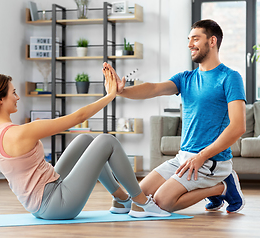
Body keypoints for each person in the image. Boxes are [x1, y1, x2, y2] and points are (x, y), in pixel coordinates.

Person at [0, 69, 170, 220]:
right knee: (107, 141)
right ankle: (142, 202)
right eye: (13, 93)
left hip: (41, 202)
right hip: (56, 204)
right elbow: (79, 117)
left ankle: (121, 200)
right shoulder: (21, 132)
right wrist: (110, 95)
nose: (17, 97)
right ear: (0, 99)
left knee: (85, 140)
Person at [103, 19, 246, 213]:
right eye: (189, 39)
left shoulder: (230, 77)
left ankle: (223, 187)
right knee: (138, 195)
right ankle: (210, 188)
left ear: (212, 41)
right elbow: (153, 88)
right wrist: (122, 91)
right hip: (183, 157)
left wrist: (202, 156)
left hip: (211, 160)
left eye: (195, 39)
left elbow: (238, 127)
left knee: (162, 202)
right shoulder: (185, 78)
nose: (189, 45)